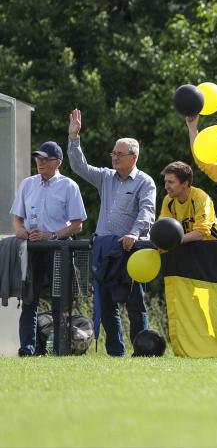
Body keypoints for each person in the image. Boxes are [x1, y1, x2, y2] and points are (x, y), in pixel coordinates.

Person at [67, 109, 156, 356]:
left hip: (132, 251)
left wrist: (135, 234)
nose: (114, 157)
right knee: (107, 306)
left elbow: (147, 212)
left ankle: (143, 352)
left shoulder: (145, 182)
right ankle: (115, 353)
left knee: (135, 305)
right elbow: (79, 166)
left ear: (133, 156)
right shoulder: (106, 177)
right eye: (113, 153)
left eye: (119, 154)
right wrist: (74, 138)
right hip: (106, 251)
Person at [10, 142, 87, 356]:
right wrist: (20, 231)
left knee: (59, 301)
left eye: (45, 159)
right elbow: (17, 218)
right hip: (32, 250)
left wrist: (51, 235)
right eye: (38, 159)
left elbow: (77, 224)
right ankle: (27, 349)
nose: (40, 163)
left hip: (58, 250)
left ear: (58, 162)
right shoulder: (27, 184)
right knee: (29, 300)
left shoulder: (69, 185)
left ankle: (60, 349)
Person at [158, 162, 217, 244]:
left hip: (214, 247)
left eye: (171, 182)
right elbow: (164, 228)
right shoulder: (168, 200)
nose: (166, 186)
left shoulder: (201, 198)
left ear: (185, 183)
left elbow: (200, 233)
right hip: (189, 246)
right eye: (166, 182)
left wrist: (172, 241)